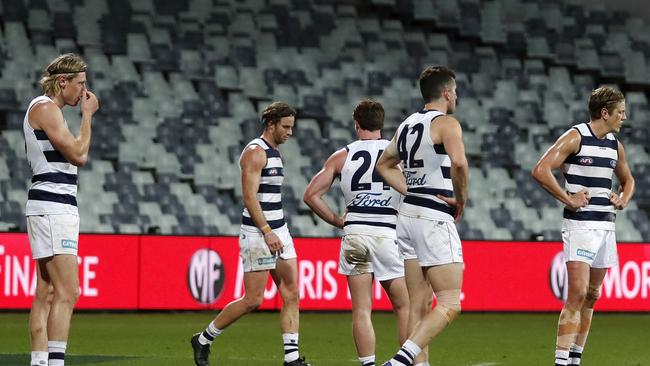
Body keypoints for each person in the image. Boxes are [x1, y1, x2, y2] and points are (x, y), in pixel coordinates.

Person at [191, 102, 310, 366]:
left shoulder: (276, 152)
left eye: (292, 126)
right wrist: (267, 231)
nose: (290, 132)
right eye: (286, 126)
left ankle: (291, 359)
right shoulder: (255, 152)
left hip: (281, 231)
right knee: (253, 299)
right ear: (271, 124)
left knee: (291, 293)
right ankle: (204, 338)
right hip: (259, 234)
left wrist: (277, 230)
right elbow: (249, 197)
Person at [532, 86, 635, 366]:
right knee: (577, 295)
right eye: (621, 113)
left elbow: (628, 180)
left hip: (605, 227)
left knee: (592, 295)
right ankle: (561, 361)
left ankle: (575, 359)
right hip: (580, 227)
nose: (624, 118)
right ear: (605, 113)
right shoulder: (575, 137)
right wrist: (568, 198)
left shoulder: (615, 144)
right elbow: (541, 169)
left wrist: (622, 198)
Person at [303, 100, 410, 366]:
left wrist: (338, 221)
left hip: (355, 234)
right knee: (405, 306)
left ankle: (367, 365)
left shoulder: (342, 156)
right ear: (382, 124)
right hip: (386, 233)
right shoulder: (396, 156)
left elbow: (311, 195)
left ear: (356, 124)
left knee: (362, 310)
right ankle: (409, 361)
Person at [376, 66, 468, 366]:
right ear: (446, 93)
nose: (455, 96)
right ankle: (401, 361)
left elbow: (384, 165)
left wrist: (413, 189)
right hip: (432, 216)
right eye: (454, 91)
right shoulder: (446, 123)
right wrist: (461, 199)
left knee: (419, 304)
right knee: (450, 302)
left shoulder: (406, 125)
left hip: (408, 214)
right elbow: (459, 164)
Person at [24, 53, 99, 366]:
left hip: (49, 204)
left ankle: (40, 361)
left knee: (48, 293)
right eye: (80, 83)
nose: (84, 91)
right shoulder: (46, 108)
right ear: (62, 81)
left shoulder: (45, 109)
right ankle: (55, 362)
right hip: (54, 206)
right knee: (69, 291)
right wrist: (87, 115)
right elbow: (79, 155)